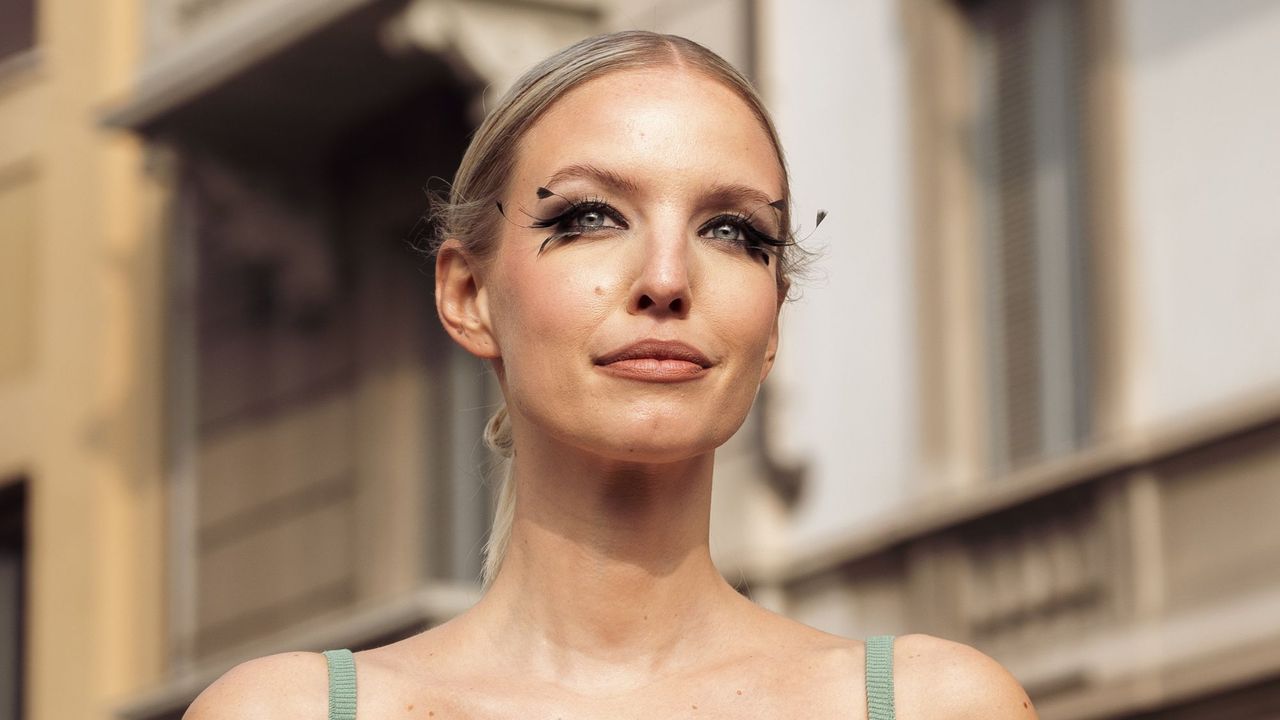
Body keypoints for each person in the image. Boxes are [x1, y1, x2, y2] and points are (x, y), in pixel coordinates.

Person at [186, 30, 1038, 720]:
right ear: (468, 293)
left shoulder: (938, 706)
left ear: (772, 317)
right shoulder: (285, 714)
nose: (666, 279)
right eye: (590, 217)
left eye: (735, 232)